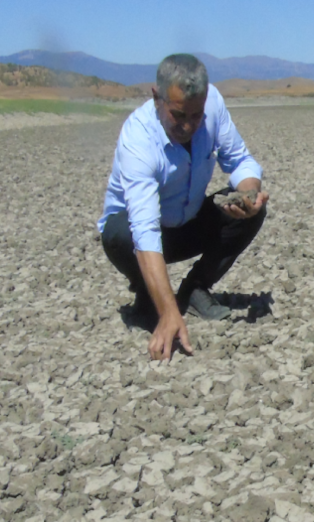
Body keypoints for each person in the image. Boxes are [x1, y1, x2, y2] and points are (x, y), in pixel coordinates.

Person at [98, 54, 268, 360]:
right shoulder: (138, 140)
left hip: (186, 222)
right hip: (136, 235)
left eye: (197, 115)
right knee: (120, 232)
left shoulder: (212, 104)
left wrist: (249, 195)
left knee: (252, 210)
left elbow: (241, 161)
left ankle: (195, 290)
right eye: (178, 115)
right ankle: (151, 298)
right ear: (156, 98)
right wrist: (167, 312)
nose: (189, 125)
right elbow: (145, 232)